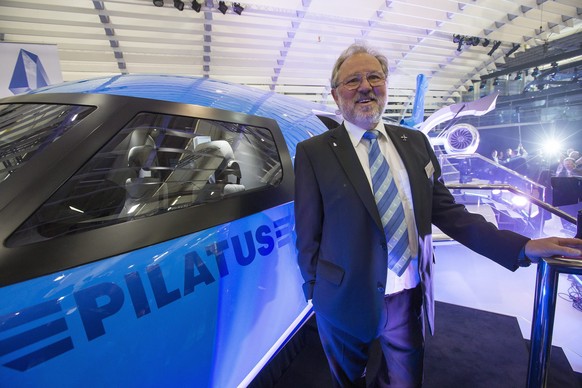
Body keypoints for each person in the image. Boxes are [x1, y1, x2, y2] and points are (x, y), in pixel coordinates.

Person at [293, 43, 582, 388]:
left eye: (374, 76)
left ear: (385, 85)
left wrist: (523, 246)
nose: (366, 86)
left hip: (407, 297)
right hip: (343, 299)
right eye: (353, 80)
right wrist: (315, 291)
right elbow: (308, 230)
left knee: (405, 382)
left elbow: (451, 215)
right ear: (336, 94)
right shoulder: (314, 152)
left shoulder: (415, 142)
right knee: (348, 381)